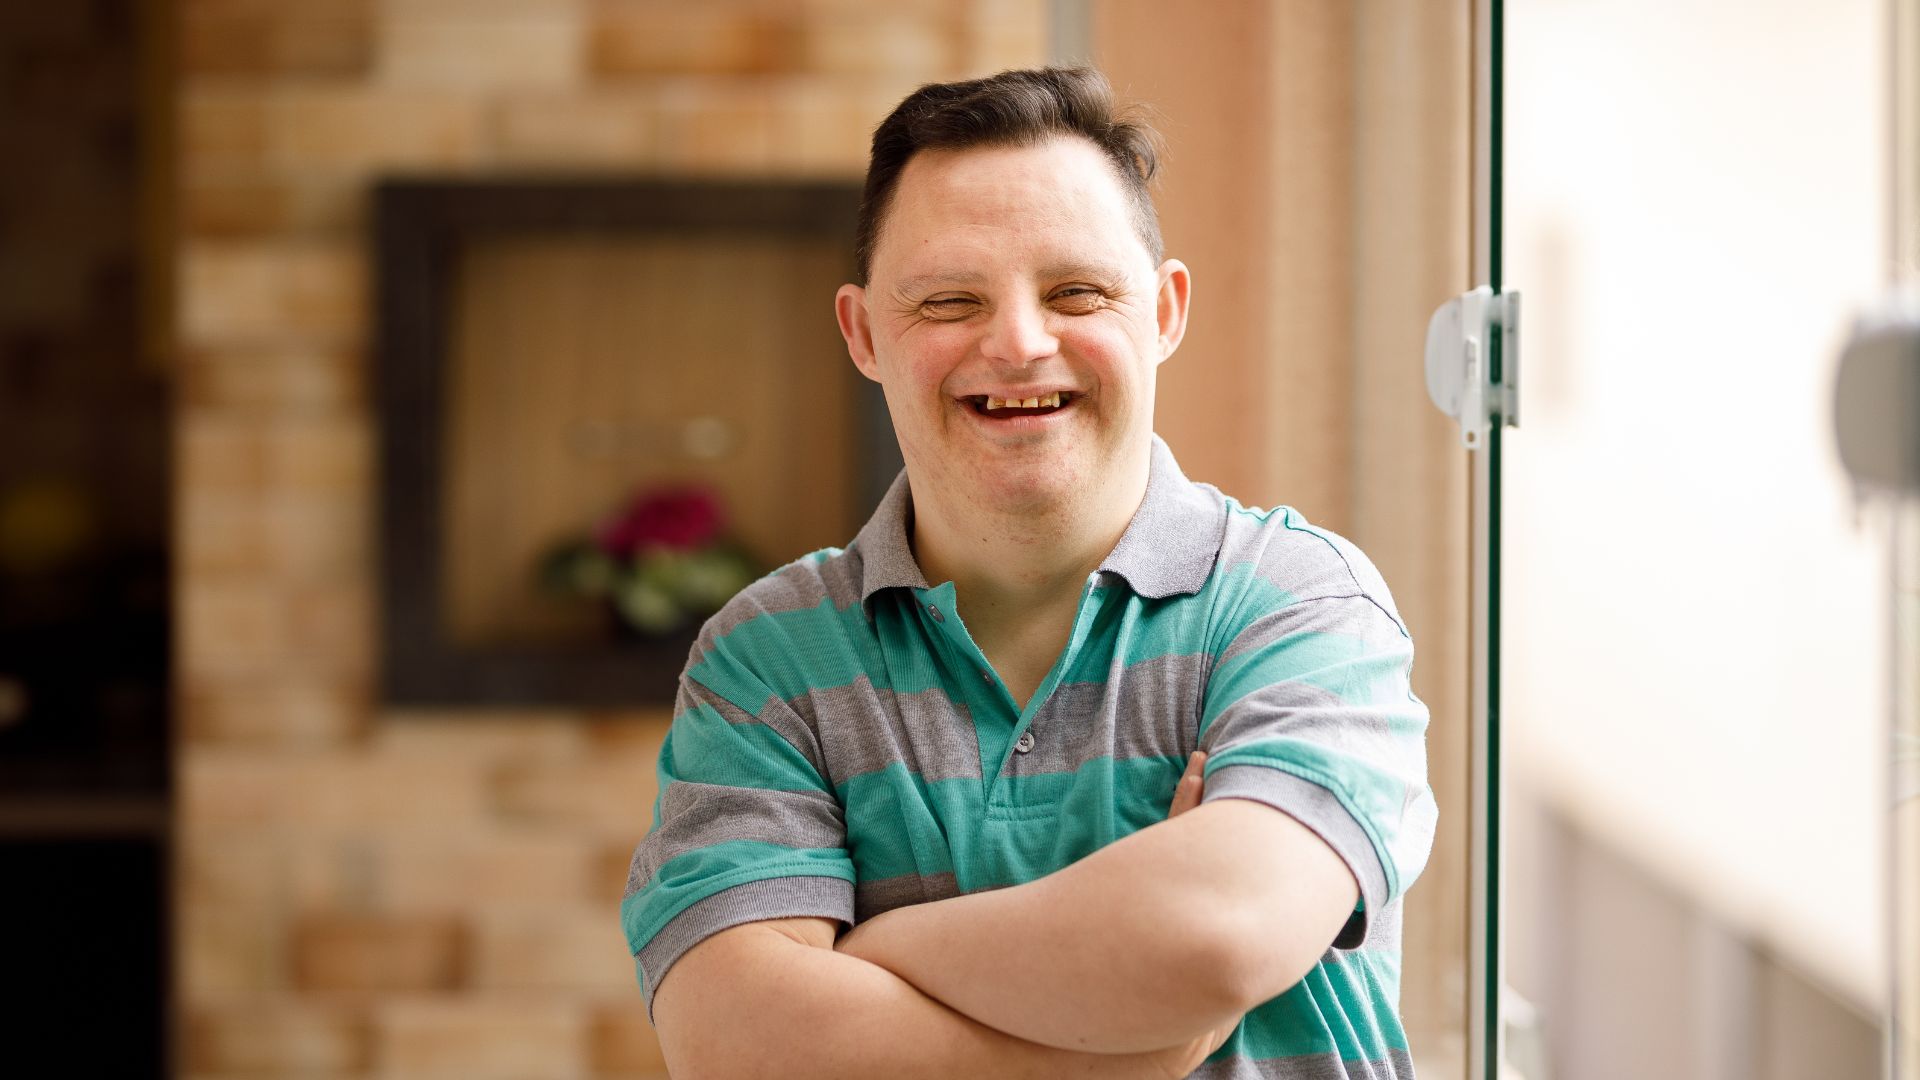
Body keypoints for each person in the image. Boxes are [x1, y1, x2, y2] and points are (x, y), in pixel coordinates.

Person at [619, 66, 1436, 1079]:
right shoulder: (765, 659)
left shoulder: (1303, 604)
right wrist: (1133, 1050)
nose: (1017, 342)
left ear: (1165, 312)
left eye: (1076, 292)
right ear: (863, 333)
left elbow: (1215, 936)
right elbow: (737, 1044)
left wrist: (873, 954)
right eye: (949, 300)